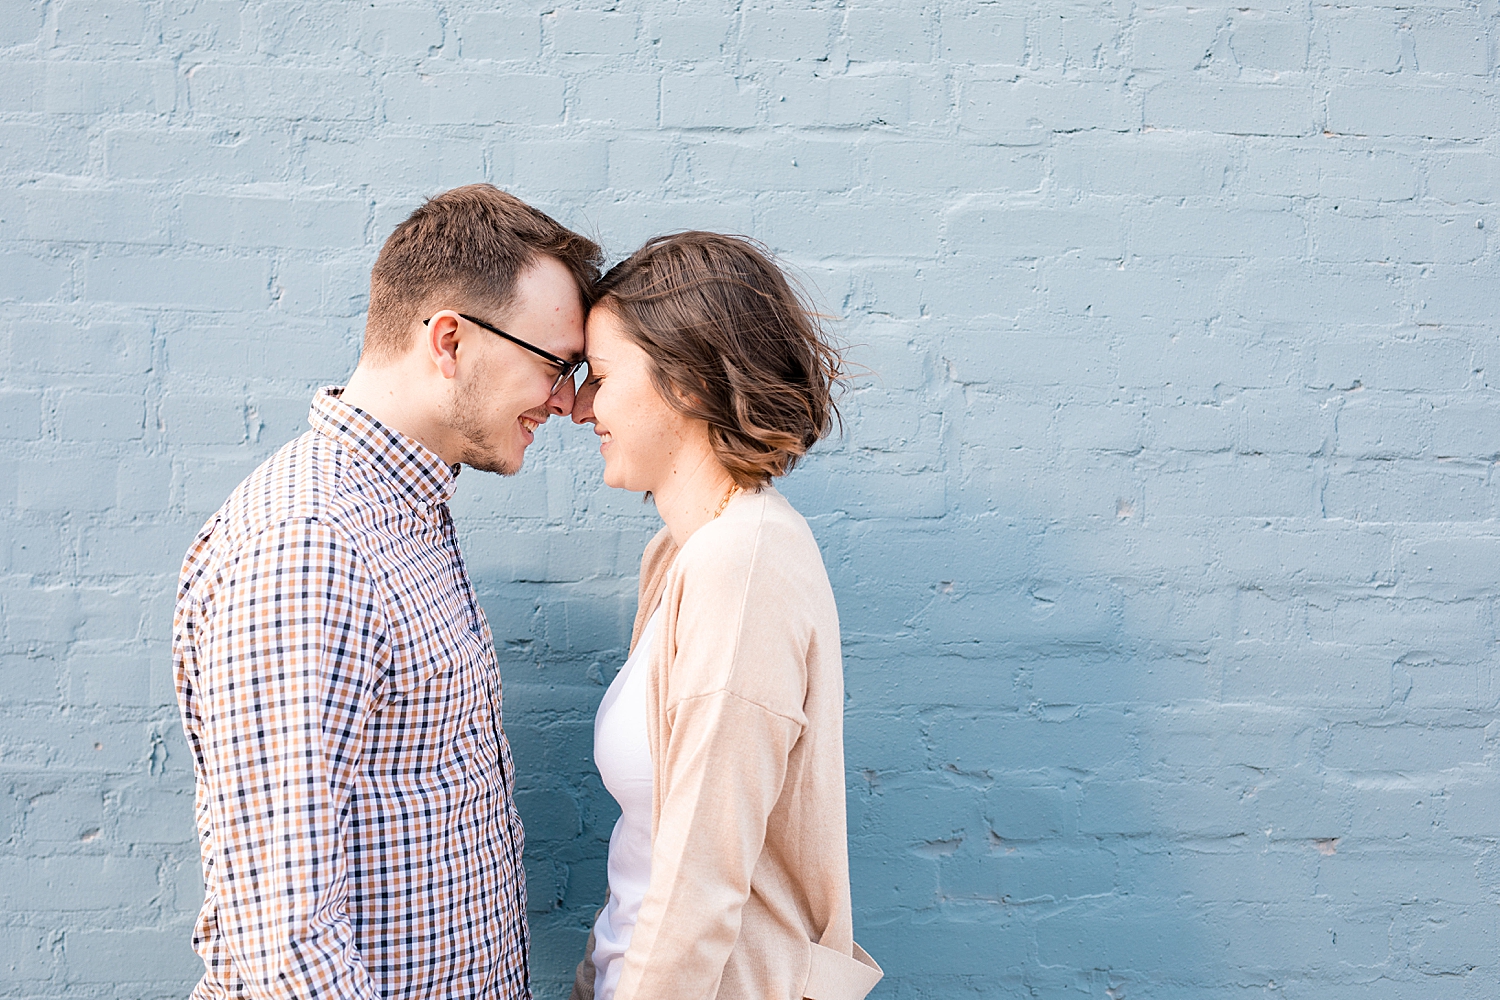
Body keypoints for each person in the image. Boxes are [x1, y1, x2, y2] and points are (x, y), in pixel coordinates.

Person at [171, 184, 601, 1000]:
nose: (565, 400)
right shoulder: (310, 544)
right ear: (449, 339)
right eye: (554, 364)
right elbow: (285, 942)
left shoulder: (402, 516)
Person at [568, 232, 882, 1000]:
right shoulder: (681, 558)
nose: (578, 407)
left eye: (600, 377)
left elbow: (701, 878)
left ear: (690, 386)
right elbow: (650, 858)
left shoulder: (742, 566)